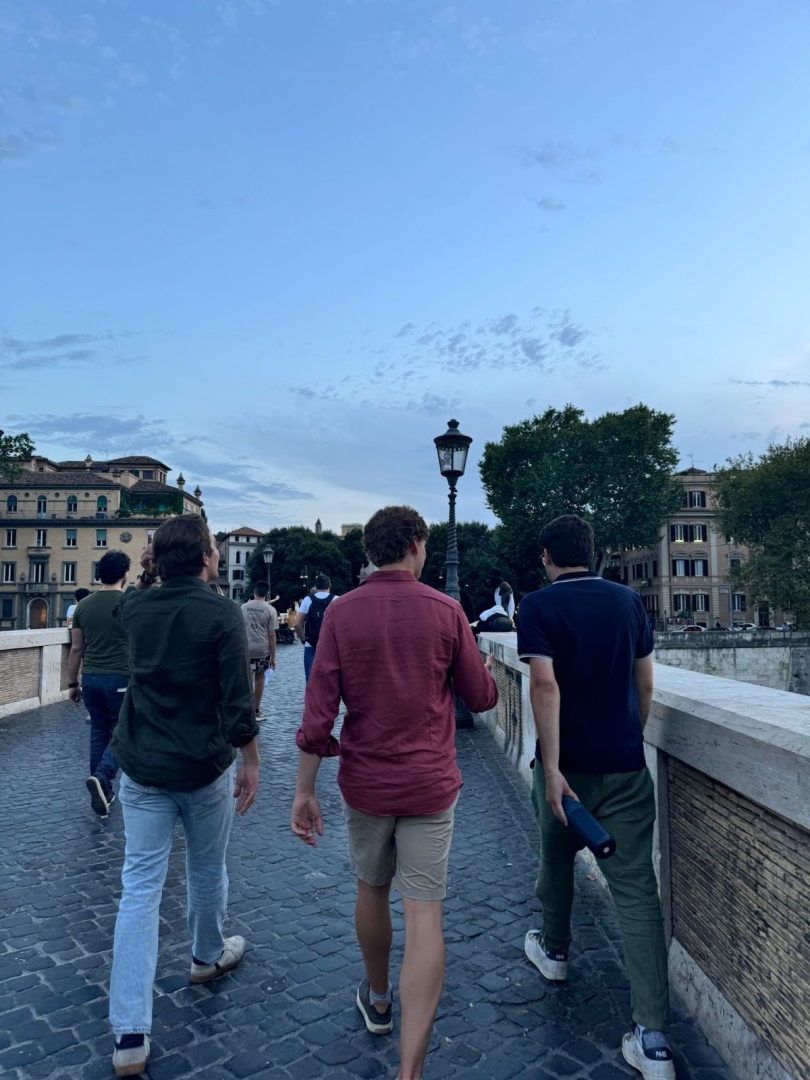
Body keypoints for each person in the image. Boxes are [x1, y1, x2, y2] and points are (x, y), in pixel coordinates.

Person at [291, 505, 498, 1080]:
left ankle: (379, 998)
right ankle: (410, 1070)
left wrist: (303, 791)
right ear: (413, 544)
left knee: (371, 889)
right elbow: (480, 697)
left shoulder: (340, 614)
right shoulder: (447, 610)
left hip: (366, 783)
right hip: (431, 783)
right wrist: (486, 673)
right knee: (425, 914)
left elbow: (318, 713)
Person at [515, 514, 673, 1080]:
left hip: (565, 768)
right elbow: (645, 683)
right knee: (636, 891)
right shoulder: (629, 602)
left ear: (546, 556)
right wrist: (630, 736)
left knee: (555, 858)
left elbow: (544, 684)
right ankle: (652, 1036)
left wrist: (553, 768)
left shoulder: (536, 607)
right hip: (625, 767)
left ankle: (555, 952)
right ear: (593, 552)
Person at [107, 515, 260, 1077]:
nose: (219, 555)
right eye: (215, 548)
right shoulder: (222, 612)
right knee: (206, 866)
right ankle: (205, 956)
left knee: (139, 889)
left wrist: (151, 570)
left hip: (142, 763)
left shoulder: (135, 607)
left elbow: (135, 600)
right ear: (203, 557)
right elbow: (237, 703)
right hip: (201, 764)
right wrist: (252, 760)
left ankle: (129, 1034)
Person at [66, 553, 131, 817]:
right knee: (123, 732)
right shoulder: (129, 602)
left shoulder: (84, 605)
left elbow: (76, 649)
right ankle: (103, 777)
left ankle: (103, 789)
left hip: (91, 677)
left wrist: (72, 682)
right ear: (124, 574)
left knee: (98, 732)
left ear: (99, 573)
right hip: (121, 678)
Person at [241, 581, 278, 720]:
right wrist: (273, 657)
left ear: (254, 591)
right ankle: (256, 710)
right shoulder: (270, 610)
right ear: (267, 593)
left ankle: (244, 709)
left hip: (245, 648)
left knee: (245, 679)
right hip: (262, 650)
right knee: (260, 678)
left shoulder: (244, 607)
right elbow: (272, 634)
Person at [295, 573, 336, 683]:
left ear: (316, 586)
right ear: (330, 585)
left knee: (311, 679)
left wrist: (304, 639)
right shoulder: (336, 600)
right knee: (331, 680)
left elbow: (297, 624)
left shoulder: (308, 600)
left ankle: (312, 699)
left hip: (311, 644)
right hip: (331, 645)